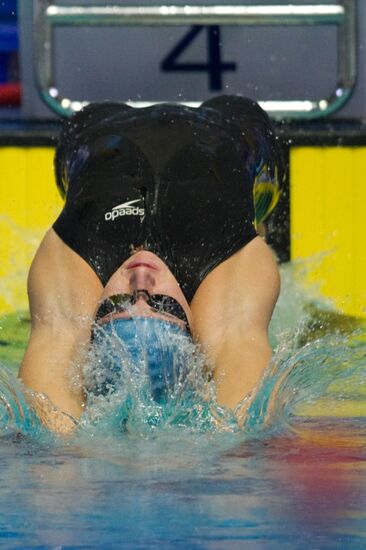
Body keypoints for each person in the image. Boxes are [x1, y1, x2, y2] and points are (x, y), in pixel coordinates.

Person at [18, 95, 282, 432]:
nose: (140, 277)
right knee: (258, 217)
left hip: (95, 127)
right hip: (232, 127)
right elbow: (239, 427)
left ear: (91, 327)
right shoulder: (223, 275)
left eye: (117, 302)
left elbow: (53, 431)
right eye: (162, 303)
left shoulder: (75, 266)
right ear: (193, 326)